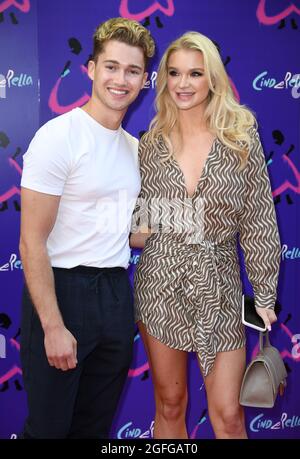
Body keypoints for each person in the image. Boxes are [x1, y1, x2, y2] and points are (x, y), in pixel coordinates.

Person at [130, 31, 281, 439]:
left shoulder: (240, 140)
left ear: (212, 78)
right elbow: (140, 221)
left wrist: (265, 296)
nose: (183, 83)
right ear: (163, 79)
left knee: (229, 414)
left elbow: (259, 222)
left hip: (221, 285)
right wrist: (131, 229)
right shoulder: (151, 145)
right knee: (170, 404)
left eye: (195, 73)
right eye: (174, 73)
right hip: (160, 282)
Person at [19, 17, 155, 439]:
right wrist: (53, 326)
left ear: (144, 80)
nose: (121, 79)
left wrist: (189, 204)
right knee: (49, 430)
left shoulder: (137, 149)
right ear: (92, 69)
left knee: (93, 429)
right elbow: (31, 240)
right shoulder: (58, 136)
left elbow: (133, 235)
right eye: (111, 67)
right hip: (62, 292)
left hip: (115, 295)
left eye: (132, 71)